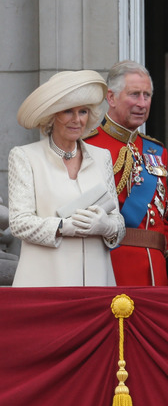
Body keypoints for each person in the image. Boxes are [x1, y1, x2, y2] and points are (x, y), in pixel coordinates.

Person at [9, 70, 125, 286]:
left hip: (96, 283)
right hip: (45, 283)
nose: (76, 120)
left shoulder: (102, 157)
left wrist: (105, 226)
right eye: (67, 111)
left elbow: (117, 222)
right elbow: (19, 223)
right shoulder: (25, 156)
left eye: (82, 112)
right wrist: (64, 226)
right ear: (52, 116)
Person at [84, 60, 168, 286]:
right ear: (111, 98)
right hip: (110, 266)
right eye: (134, 94)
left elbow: (159, 219)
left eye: (147, 95)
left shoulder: (156, 150)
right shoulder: (87, 147)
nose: (142, 103)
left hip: (155, 271)